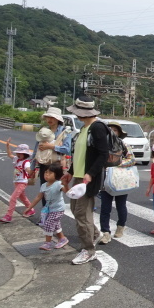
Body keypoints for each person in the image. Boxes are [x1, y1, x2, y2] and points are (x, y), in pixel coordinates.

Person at [60, 95, 109, 265]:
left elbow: (104, 154)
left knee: (82, 213)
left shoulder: (97, 128)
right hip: (80, 175)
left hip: (89, 177)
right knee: (75, 208)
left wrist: (91, 174)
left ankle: (88, 250)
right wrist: (71, 172)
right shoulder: (84, 129)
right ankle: (94, 234)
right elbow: (79, 155)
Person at [98, 122, 136, 245]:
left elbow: (132, 159)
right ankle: (105, 233)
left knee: (121, 205)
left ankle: (121, 226)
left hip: (120, 180)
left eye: (115, 130)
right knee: (105, 207)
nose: (112, 132)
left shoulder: (123, 144)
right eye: (110, 129)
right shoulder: (101, 145)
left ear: (119, 132)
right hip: (105, 179)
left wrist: (118, 164)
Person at [24, 163, 69, 250]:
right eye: (45, 173)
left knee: (48, 224)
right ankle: (63, 239)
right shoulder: (44, 185)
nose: (47, 175)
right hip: (49, 209)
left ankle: (47, 243)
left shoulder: (58, 184)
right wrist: (29, 207)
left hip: (58, 209)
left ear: (57, 174)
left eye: (50, 173)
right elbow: (38, 197)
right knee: (55, 225)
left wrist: (65, 184)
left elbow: (66, 191)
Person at [0, 140, 35, 222]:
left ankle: (8, 215)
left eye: (20, 153)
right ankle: (31, 209)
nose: (18, 154)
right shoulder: (17, 159)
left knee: (13, 198)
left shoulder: (26, 162)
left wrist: (31, 171)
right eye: (18, 153)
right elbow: (9, 155)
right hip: (16, 181)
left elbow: (28, 169)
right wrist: (8, 146)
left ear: (25, 154)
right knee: (23, 197)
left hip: (22, 182)